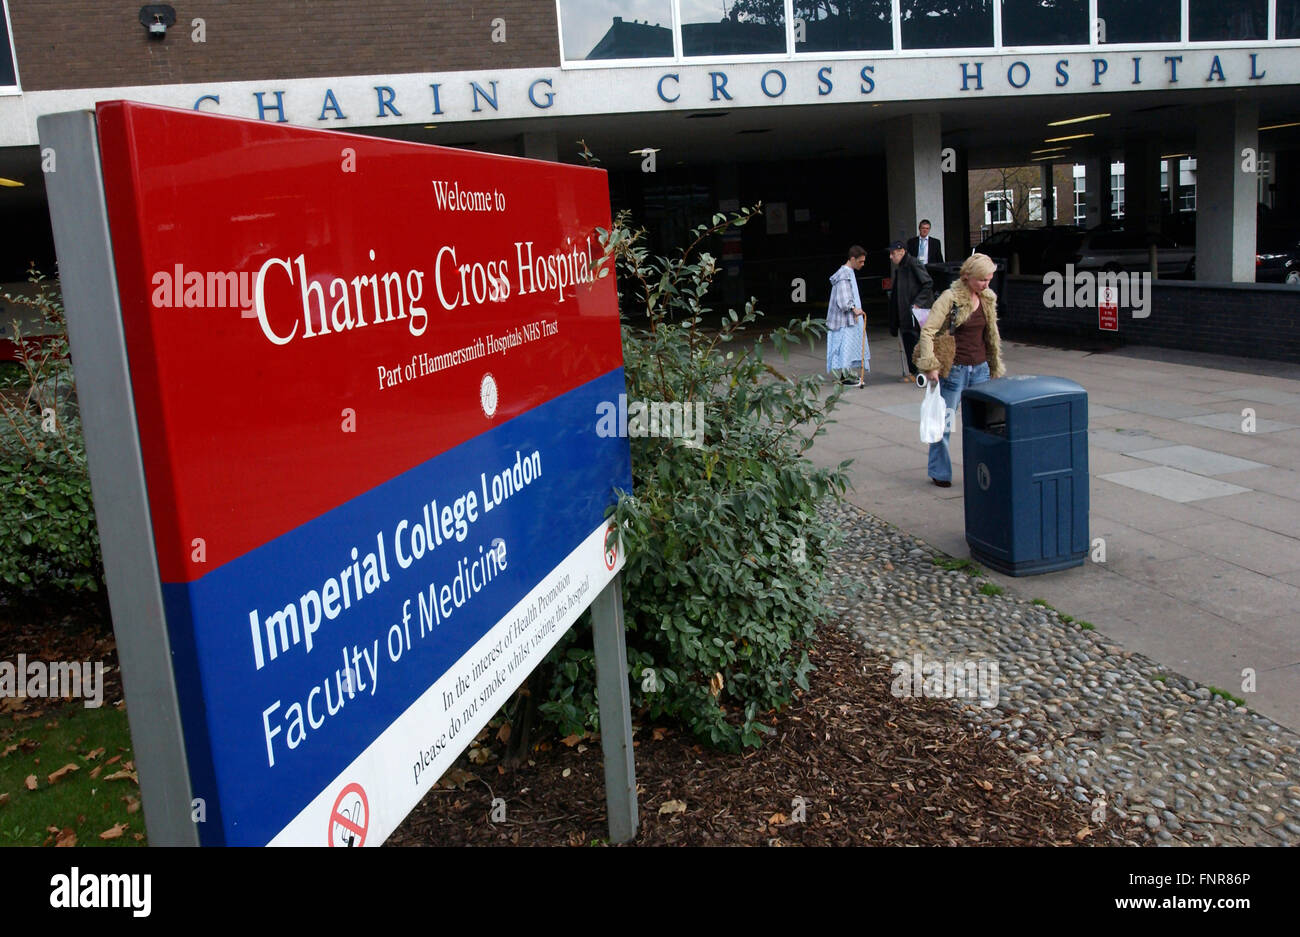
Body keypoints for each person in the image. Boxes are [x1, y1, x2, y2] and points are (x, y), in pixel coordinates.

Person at [914, 253, 1005, 488]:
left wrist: (994, 366)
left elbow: (991, 335)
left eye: (989, 279)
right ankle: (940, 472)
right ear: (967, 277)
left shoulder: (987, 298)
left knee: (982, 426)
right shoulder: (950, 298)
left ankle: (982, 472)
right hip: (955, 369)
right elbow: (927, 332)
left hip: (981, 368)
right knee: (943, 424)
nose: (987, 284)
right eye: (982, 280)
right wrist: (931, 365)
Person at [886, 240, 934, 383]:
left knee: (915, 341)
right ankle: (914, 371)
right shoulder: (901, 267)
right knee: (908, 341)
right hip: (904, 312)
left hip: (913, 312)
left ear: (902, 252)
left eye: (893, 253)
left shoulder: (913, 263)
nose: (891, 257)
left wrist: (918, 303)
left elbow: (928, 283)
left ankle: (919, 371)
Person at [825, 245, 868, 385]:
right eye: (860, 261)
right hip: (844, 320)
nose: (863, 264)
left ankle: (847, 373)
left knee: (849, 346)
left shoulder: (848, 272)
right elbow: (843, 300)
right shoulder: (844, 275)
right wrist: (853, 308)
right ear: (852, 259)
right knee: (845, 346)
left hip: (849, 319)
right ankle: (845, 376)